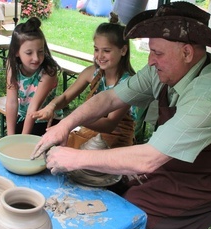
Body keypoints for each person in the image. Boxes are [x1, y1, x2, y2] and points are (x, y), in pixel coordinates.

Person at [32, 2, 211, 229]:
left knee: (136, 215)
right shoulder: (163, 71)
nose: (150, 61)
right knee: (116, 190)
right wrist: (66, 125)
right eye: (150, 51)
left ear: (187, 53)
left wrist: (74, 158)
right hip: (174, 155)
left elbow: (147, 160)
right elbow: (110, 98)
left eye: (157, 53)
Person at [31, 13, 136, 148]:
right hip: (88, 133)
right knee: (49, 147)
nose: (100, 56)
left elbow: (110, 124)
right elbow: (65, 97)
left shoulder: (129, 83)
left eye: (106, 50)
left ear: (123, 50)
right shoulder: (93, 72)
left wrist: (72, 120)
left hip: (115, 141)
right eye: (96, 49)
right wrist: (51, 106)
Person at [5, 17, 62, 136]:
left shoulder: (49, 71)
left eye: (40, 51)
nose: (36, 58)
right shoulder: (12, 66)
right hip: (25, 116)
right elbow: (11, 102)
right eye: (29, 53)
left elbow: (34, 107)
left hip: (46, 119)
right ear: (16, 52)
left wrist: (22, 139)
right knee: (11, 139)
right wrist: (10, 137)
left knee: (27, 146)